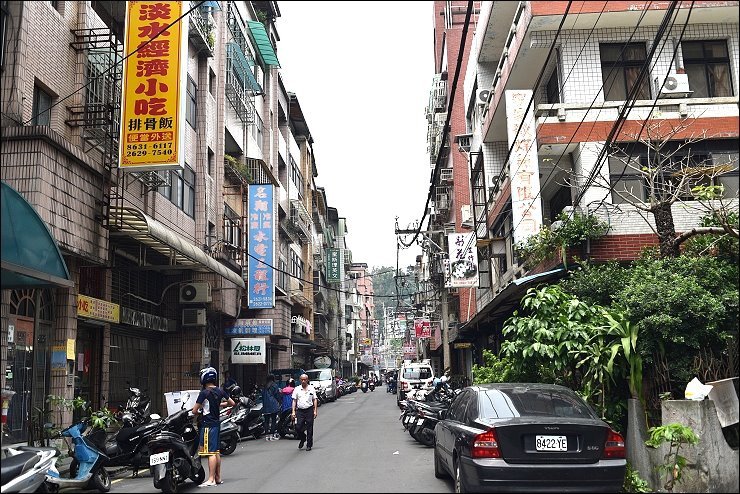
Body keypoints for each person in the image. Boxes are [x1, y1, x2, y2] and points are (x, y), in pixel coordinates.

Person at [192, 367, 234, 487]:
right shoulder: (220, 391)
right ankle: (218, 477)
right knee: (216, 452)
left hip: (207, 425)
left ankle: (211, 479)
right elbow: (232, 403)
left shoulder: (204, 393)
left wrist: (199, 410)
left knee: (210, 452)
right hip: (216, 424)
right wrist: (219, 404)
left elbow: (195, 410)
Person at [291, 373, 318, 451]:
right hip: (300, 411)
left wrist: (315, 410)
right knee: (298, 427)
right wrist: (293, 411)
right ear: (300, 380)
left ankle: (309, 445)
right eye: (302, 380)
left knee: (310, 428)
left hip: (309, 410)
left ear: (307, 380)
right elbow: (294, 400)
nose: (303, 381)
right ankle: (303, 438)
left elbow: (314, 399)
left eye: (305, 380)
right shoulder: (297, 389)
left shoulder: (311, 388)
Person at [261, 375, 282, 441]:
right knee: (273, 420)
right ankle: (272, 435)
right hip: (273, 404)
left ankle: (267, 436)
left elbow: (262, 395)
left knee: (266, 421)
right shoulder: (274, 385)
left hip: (265, 405)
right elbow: (277, 395)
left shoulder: (264, 386)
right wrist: (280, 401)